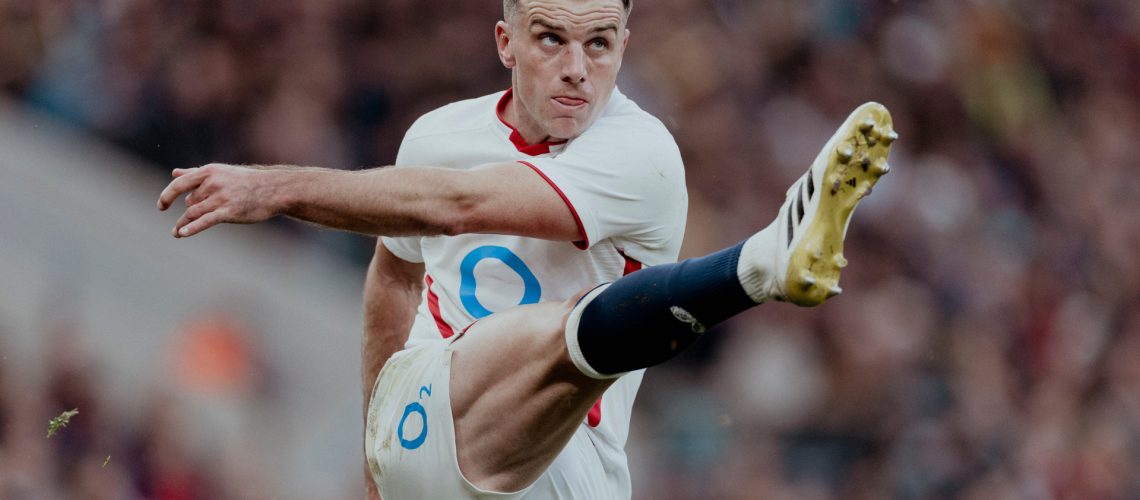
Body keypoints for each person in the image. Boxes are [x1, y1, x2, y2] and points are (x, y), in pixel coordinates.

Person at [156, 0, 897, 498]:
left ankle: (759, 264)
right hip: (429, 427)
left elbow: (463, 205)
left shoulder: (643, 155)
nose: (578, 67)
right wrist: (377, 464)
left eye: (600, 43)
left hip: (566, 475)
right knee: (564, 324)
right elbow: (396, 276)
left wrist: (280, 188)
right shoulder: (439, 137)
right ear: (506, 40)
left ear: (623, 48)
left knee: (564, 338)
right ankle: (757, 266)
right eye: (552, 37)